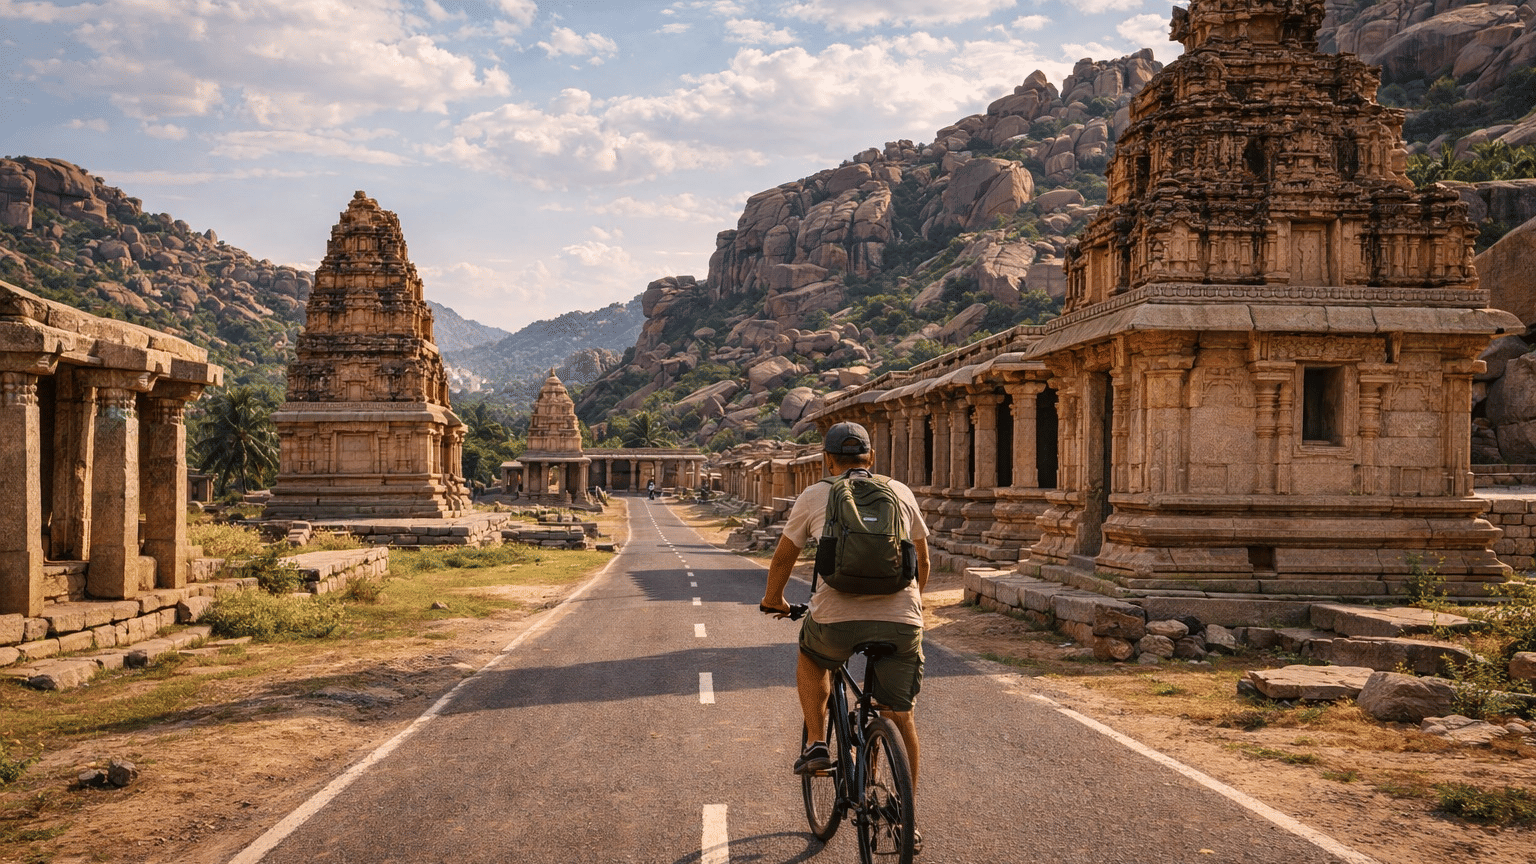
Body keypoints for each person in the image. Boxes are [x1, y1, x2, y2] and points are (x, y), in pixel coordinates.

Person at [760, 422, 930, 797]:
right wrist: (912, 607)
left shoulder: (814, 495)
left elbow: (783, 559)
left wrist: (775, 601)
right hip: (902, 617)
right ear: (871, 457)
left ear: (827, 460)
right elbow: (922, 560)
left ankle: (818, 743)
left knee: (811, 657)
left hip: (835, 618)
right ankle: (906, 819)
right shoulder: (899, 492)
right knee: (900, 715)